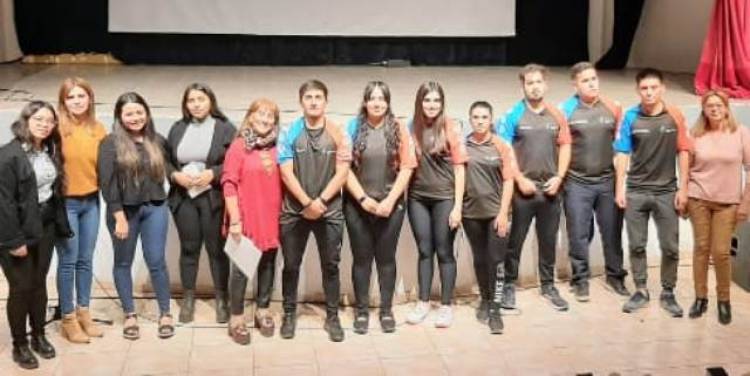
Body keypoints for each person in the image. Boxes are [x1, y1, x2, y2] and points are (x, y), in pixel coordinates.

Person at [614, 68, 692, 317]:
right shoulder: (630, 117)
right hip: (636, 191)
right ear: (638, 90)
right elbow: (623, 153)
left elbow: (684, 151)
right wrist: (620, 187)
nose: (649, 93)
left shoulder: (675, 115)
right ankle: (641, 290)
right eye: (644, 89)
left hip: (667, 192)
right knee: (637, 245)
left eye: (653, 88)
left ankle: (668, 292)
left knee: (670, 247)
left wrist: (684, 188)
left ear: (662, 89)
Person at [0, 101, 72, 369]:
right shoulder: (9, 155)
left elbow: (52, 190)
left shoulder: (49, 150)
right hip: (16, 230)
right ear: (26, 121)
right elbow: (3, 204)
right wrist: (13, 240)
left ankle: (38, 335)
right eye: (38, 119)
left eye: (49, 120)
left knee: (39, 283)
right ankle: (20, 344)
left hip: (45, 226)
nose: (44, 124)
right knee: (21, 288)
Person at [278, 80, 351, 342]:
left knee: (331, 266)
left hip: (329, 212)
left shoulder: (339, 132)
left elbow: (343, 172)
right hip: (294, 212)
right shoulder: (288, 131)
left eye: (318, 97)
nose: (313, 101)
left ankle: (332, 317)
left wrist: (320, 201)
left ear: (326, 101)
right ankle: (288, 315)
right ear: (301, 102)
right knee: (291, 266)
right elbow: (285, 173)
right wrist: (307, 204)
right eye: (308, 97)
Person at [98, 92, 175, 340]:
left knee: (156, 261)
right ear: (120, 116)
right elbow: (107, 183)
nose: (135, 117)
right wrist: (119, 216)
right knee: (123, 262)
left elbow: (173, 170)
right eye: (129, 113)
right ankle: (130, 314)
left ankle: (165, 312)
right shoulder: (110, 143)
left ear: (147, 113)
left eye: (139, 112)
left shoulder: (158, 140)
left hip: (154, 208)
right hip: (124, 212)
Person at [344, 81, 416, 334]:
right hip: (357, 206)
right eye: (372, 98)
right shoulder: (352, 128)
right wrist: (364, 200)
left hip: (390, 207)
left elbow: (407, 168)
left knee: (386, 259)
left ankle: (386, 310)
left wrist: (388, 201)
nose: (377, 103)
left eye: (382, 98)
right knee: (362, 260)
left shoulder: (398, 129)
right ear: (365, 102)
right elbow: (344, 170)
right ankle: (361, 311)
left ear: (388, 102)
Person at [499, 64, 572, 311]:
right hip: (522, 191)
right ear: (523, 86)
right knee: (514, 241)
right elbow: (505, 151)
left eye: (538, 82)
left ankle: (548, 285)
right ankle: (508, 285)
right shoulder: (513, 115)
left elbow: (565, 145)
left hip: (551, 190)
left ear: (546, 84)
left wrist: (559, 177)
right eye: (529, 83)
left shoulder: (557, 114)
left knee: (548, 240)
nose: (534, 86)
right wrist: (519, 179)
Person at [559, 62, 629, 301]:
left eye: (594, 79)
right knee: (578, 233)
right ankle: (580, 280)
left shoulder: (613, 107)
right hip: (577, 183)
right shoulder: (564, 110)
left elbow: (622, 148)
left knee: (612, 233)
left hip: (607, 182)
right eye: (586, 80)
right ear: (575, 84)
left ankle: (615, 277)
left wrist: (621, 183)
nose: (592, 84)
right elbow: (559, 148)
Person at [166, 83, 236, 324]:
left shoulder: (225, 128)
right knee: (189, 249)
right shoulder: (177, 128)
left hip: (212, 198)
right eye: (191, 100)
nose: (196, 104)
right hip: (185, 198)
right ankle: (188, 299)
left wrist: (213, 174)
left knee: (216, 251)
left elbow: (234, 161)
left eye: (201, 99)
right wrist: (175, 176)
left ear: (211, 101)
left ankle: (222, 299)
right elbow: (166, 162)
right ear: (186, 105)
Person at [405, 81, 467, 328]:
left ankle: (446, 305)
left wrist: (458, 206)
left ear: (442, 104)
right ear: (420, 102)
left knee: (444, 251)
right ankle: (422, 302)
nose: (431, 105)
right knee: (424, 251)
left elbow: (460, 168)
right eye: (427, 100)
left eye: (436, 101)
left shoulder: (452, 127)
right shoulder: (410, 127)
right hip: (417, 199)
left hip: (445, 199)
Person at [686, 90, 750, 325]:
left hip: (728, 202)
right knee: (701, 248)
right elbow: (686, 169)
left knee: (721, 252)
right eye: (709, 105)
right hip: (698, 198)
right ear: (703, 110)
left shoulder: (740, 133)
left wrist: (745, 202)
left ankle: (724, 300)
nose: (714, 109)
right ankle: (700, 298)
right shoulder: (695, 135)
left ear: (726, 108)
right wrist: (683, 195)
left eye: (718, 105)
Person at [222, 98, 283, 345]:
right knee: (241, 272)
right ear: (250, 116)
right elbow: (228, 184)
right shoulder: (239, 146)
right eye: (261, 114)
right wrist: (235, 220)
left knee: (267, 266)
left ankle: (262, 310)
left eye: (270, 117)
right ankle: (236, 318)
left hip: (272, 219)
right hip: (246, 220)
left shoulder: (278, 146)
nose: (265, 120)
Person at [55, 77, 107, 343]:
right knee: (68, 261)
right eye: (71, 97)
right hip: (66, 204)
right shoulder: (56, 130)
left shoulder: (98, 129)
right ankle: (68, 318)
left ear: (90, 98)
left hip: (91, 202)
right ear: (63, 102)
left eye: (81, 96)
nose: (76, 101)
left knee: (86, 259)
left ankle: (84, 311)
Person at [462, 101, 515, 334]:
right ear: (470, 119)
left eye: (484, 117)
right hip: (471, 214)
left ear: (491, 119)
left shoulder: (501, 146)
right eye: (476, 117)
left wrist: (503, 213)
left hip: (496, 215)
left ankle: (495, 308)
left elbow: (509, 181)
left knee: (496, 261)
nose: (480, 121)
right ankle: (484, 299)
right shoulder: (463, 146)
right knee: (480, 259)